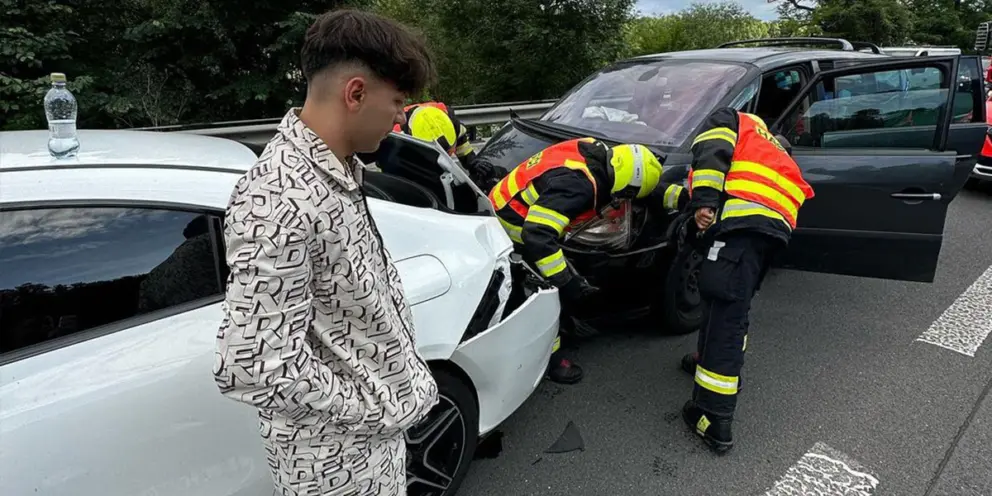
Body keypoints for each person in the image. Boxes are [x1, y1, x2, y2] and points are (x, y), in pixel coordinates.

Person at [212, 9, 439, 495]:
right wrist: (377, 408)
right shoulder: (279, 197)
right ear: (355, 93)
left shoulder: (336, 169)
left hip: (368, 450)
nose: (401, 117)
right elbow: (253, 367)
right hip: (335, 470)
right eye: (397, 101)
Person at [489, 137, 689, 384]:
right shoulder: (579, 186)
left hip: (508, 198)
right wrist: (566, 281)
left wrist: (685, 198)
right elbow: (537, 235)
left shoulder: (601, 153)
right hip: (514, 223)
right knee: (548, 293)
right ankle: (551, 360)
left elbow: (642, 191)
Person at [679, 107, 814, 454]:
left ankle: (713, 416)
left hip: (741, 226)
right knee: (729, 303)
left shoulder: (732, 119)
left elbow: (711, 151)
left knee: (727, 316)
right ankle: (708, 361)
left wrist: (704, 202)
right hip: (771, 233)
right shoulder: (772, 147)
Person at [393, 100, 501, 186]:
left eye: (448, 151)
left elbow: (465, 153)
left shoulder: (451, 123)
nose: (446, 157)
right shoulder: (396, 137)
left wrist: (476, 164)